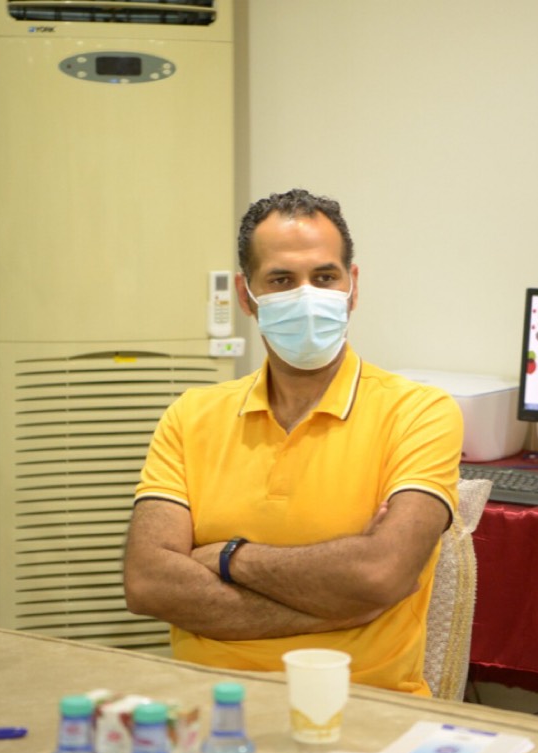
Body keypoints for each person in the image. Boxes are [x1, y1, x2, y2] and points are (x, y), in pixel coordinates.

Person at [123, 188, 463, 696]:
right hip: (209, 703)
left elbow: (380, 574)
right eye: (281, 280)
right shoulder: (190, 416)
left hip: (366, 706)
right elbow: (148, 583)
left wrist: (227, 558)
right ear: (246, 296)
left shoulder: (420, 412)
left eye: (324, 277)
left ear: (352, 286)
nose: (307, 296)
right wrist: (336, 609)